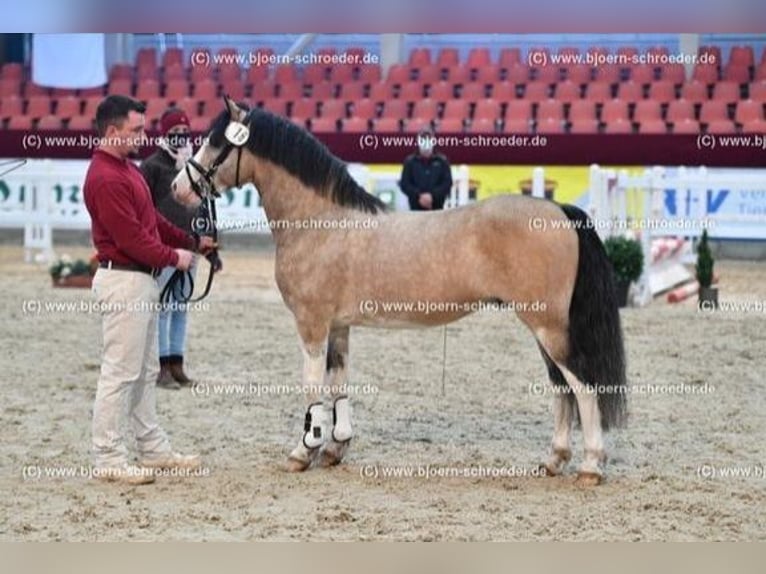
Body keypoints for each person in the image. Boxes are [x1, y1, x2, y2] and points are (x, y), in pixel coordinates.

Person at [83, 95, 215, 485]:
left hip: (139, 280)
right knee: (120, 373)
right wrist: (176, 257)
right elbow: (134, 239)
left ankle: (152, 447)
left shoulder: (126, 170)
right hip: (124, 278)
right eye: (135, 129)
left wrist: (191, 240)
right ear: (111, 131)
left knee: (143, 370)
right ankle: (107, 456)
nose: (143, 135)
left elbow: (152, 221)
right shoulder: (105, 178)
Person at [141, 108, 221, 390]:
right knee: (162, 307)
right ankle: (161, 366)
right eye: (174, 133)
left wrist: (209, 244)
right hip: (165, 249)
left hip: (193, 245)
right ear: (164, 135)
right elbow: (144, 210)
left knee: (180, 306)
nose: (180, 137)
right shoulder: (151, 167)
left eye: (184, 132)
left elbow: (206, 206)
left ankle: (177, 364)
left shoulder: (195, 167)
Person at [398, 127, 453, 211]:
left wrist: (432, 196)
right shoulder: (410, 162)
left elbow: (447, 183)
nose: (426, 142)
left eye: (428, 139)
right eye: (423, 139)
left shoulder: (442, 161)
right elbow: (404, 184)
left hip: (437, 209)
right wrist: (419, 195)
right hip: (415, 210)